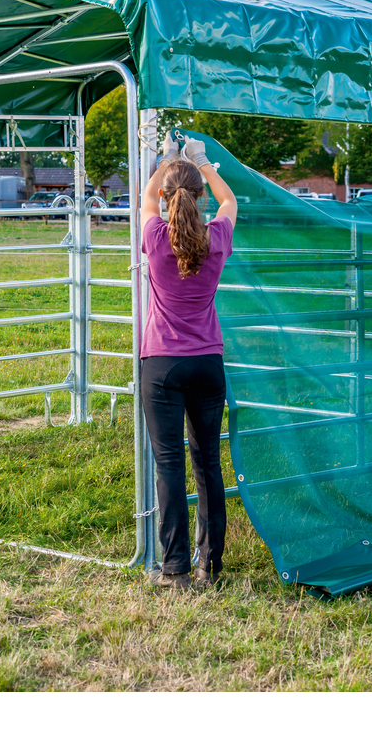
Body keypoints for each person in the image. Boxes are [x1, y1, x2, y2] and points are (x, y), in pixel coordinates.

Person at [139, 133, 239, 591]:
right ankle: (210, 566)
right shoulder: (216, 238)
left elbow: (146, 198)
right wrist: (201, 161)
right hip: (207, 364)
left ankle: (175, 569)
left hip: (162, 363)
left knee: (168, 465)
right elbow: (230, 201)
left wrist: (165, 158)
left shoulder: (156, 239)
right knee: (208, 465)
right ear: (199, 198)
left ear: (166, 197)